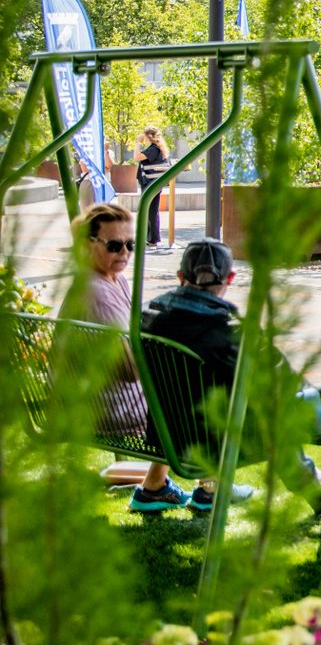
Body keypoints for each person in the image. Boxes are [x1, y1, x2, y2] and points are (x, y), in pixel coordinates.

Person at [143, 239, 321, 533]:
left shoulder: (148, 319)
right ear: (231, 279)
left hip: (171, 436)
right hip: (227, 441)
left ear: (181, 277)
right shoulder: (234, 332)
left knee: (272, 417)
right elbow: (286, 386)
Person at [74, 204, 252, 514]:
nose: (125, 253)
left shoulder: (114, 281)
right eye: (114, 245)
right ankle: (211, 487)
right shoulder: (96, 292)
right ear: (88, 244)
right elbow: (132, 369)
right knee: (193, 390)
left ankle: (155, 487)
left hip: (109, 398)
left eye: (131, 244)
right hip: (109, 407)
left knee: (181, 386)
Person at [134, 126, 169, 248]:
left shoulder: (154, 149)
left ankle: (152, 238)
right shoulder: (155, 148)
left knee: (150, 210)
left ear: (148, 137)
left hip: (151, 183)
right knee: (150, 210)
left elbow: (137, 157)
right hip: (151, 182)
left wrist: (138, 142)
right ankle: (148, 237)